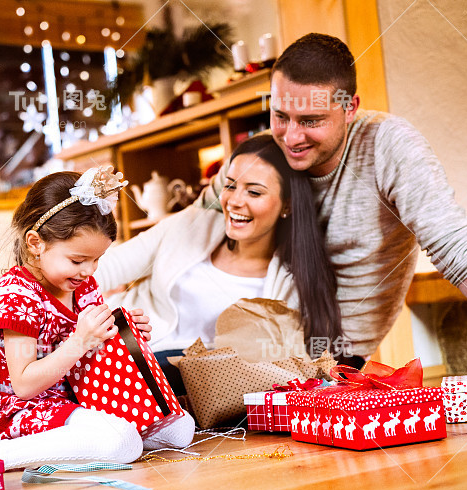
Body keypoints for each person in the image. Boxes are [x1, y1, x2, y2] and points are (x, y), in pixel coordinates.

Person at [199, 33, 467, 360]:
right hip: (233, 350)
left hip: (332, 368)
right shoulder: (262, 154)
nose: (291, 138)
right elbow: (193, 226)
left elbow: (456, 246)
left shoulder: (387, 145)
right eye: (280, 116)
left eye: (310, 120)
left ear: (350, 108)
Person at [0, 168, 195, 468]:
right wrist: (80, 341)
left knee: (181, 430)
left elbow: (94, 354)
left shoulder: (82, 285)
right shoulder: (16, 297)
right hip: (25, 411)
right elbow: (24, 385)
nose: (89, 271)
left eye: (97, 260)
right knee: (122, 442)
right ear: (36, 244)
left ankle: (93, 437)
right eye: (78, 260)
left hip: (77, 397)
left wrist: (123, 334)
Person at [95, 134, 350, 395]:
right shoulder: (192, 223)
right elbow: (100, 269)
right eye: (230, 186)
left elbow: (294, 367)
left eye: (254, 192)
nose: (235, 201)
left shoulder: (293, 284)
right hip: (119, 355)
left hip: (202, 388)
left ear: (287, 204)